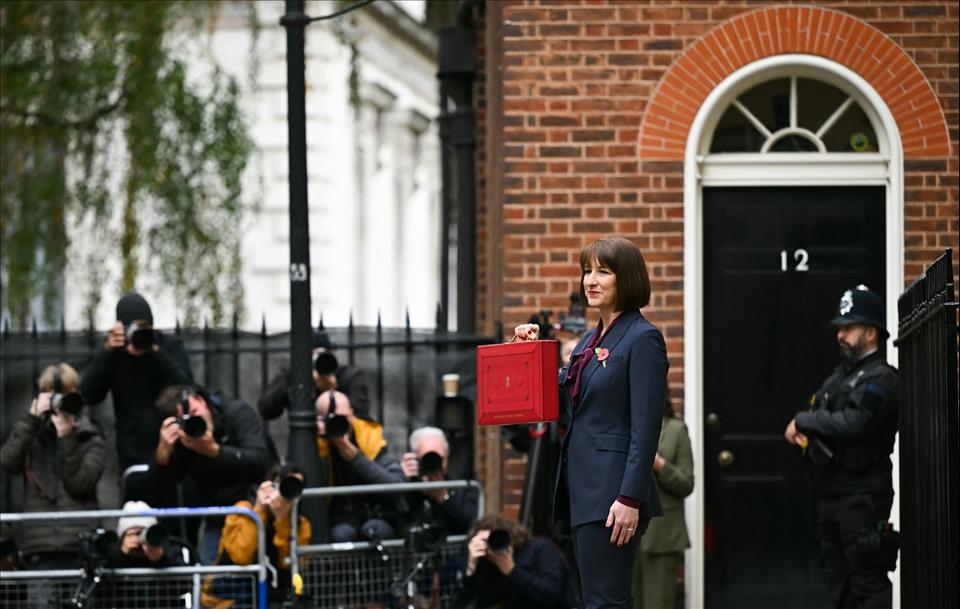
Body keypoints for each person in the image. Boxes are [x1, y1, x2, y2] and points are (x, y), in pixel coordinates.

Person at [513, 236, 669, 609]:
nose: (591, 280)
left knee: (604, 602)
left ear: (626, 278)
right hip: (583, 489)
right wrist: (527, 351)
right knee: (599, 600)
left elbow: (646, 429)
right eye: (587, 271)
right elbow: (557, 398)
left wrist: (630, 497)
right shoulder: (588, 340)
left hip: (613, 493)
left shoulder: (643, 338)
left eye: (603, 271)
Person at [784, 285, 899, 609]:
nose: (840, 335)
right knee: (839, 586)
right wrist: (810, 421)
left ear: (871, 333)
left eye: (849, 328)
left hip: (863, 497)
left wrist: (804, 421)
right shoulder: (840, 377)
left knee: (868, 585)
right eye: (839, 329)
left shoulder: (882, 378)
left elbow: (855, 423)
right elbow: (819, 407)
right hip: (833, 493)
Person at [79, 293, 193, 499]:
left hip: (171, 445)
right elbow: (88, 394)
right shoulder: (115, 352)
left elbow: (186, 385)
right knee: (134, 512)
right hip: (132, 451)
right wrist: (107, 352)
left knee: (172, 511)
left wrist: (155, 351)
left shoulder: (167, 345)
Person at [147, 384, 272, 563]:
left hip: (257, 508)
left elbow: (260, 461)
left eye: (195, 412)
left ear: (201, 400)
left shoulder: (237, 413)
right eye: (187, 419)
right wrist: (162, 455)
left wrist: (215, 451)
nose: (196, 421)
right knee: (211, 575)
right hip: (216, 517)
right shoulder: (183, 439)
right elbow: (158, 489)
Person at [1, 364, 106, 571]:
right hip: (39, 546)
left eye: (66, 396)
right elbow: (8, 462)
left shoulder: (90, 436)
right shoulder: (32, 434)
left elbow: (79, 484)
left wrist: (66, 437)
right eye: (53, 396)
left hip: (80, 546)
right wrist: (31, 419)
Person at [204, 464, 311, 608]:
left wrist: (282, 522)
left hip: (275, 597)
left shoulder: (300, 524)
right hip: (233, 596)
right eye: (286, 483)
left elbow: (291, 565)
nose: (289, 489)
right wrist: (259, 511)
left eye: (296, 485)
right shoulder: (243, 510)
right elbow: (240, 557)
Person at [315, 389, 406, 542]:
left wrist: (354, 457)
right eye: (335, 419)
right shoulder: (315, 443)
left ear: (352, 413)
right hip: (336, 519)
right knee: (341, 535)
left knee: (377, 531)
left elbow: (396, 487)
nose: (342, 424)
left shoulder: (370, 437)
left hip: (375, 513)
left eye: (345, 417)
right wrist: (317, 442)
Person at [633, 399, 693, 609]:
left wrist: (660, 465)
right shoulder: (623, 426)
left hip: (663, 536)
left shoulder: (677, 431)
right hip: (626, 534)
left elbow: (687, 483)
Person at [454, 514, 577, 609]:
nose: (491, 546)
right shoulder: (488, 564)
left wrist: (511, 570)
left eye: (493, 539)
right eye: (484, 542)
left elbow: (551, 595)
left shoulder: (541, 549)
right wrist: (471, 567)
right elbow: (467, 603)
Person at [258, 330, 371, 423]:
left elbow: (359, 415)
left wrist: (333, 393)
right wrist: (295, 377)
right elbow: (266, 409)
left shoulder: (348, 376)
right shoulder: (293, 376)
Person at [401, 426, 479, 535]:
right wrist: (401, 481)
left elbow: (470, 524)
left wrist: (444, 498)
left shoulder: (461, 487)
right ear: (415, 459)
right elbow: (395, 522)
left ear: (447, 458)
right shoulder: (406, 485)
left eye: (438, 458)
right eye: (427, 458)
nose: (432, 463)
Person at [110, 500, 188, 568]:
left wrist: (160, 557)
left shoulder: (170, 549)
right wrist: (122, 553)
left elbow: (185, 574)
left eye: (142, 532)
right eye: (132, 533)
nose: (138, 538)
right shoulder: (112, 551)